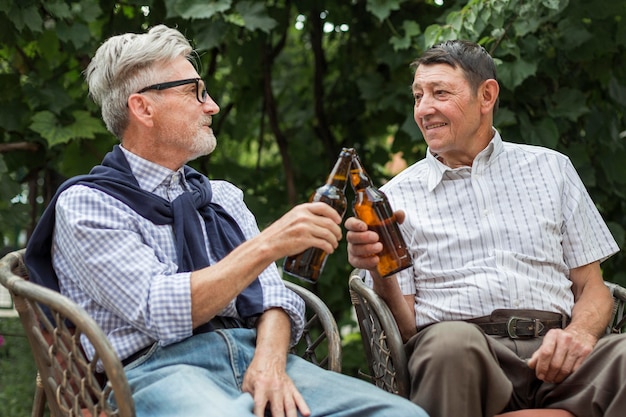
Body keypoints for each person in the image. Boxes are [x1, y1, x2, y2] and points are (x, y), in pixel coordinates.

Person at [24, 25, 427, 417]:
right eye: (194, 91)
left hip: (257, 358)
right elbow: (158, 308)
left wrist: (269, 364)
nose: (212, 105)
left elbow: (276, 297)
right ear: (143, 107)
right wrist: (268, 244)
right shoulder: (89, 205)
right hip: (157, 372)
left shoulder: (221, 197)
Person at [345, 39, 625, 417]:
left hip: (560, 360)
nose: (424, 109)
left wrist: (579, 334)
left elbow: (594, 288)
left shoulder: (552, 169)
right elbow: (406, 330)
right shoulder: (391, 199)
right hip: (465, 359)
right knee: (449, 345)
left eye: (439, 93)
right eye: (417, 96)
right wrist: (380, 270)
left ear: (486, 95)